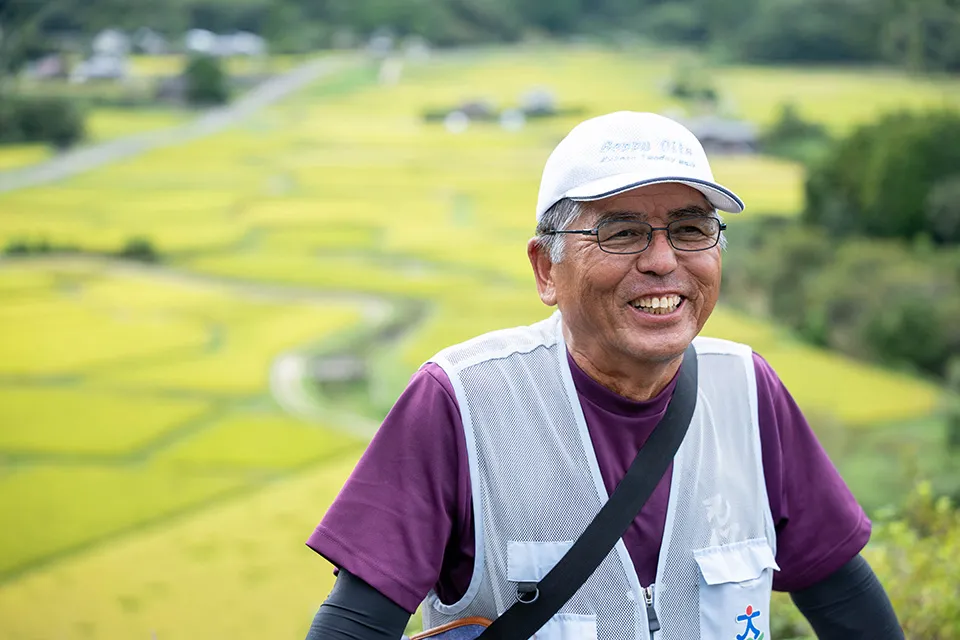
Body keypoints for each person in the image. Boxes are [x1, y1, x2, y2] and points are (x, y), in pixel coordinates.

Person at [302, 112, 904, 639]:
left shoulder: (747, 391)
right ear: (546, 270)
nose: (663, 260)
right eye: (621, 233)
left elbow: (847, 603)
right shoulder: (461, 403)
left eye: (692, 229)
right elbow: (354, 628)